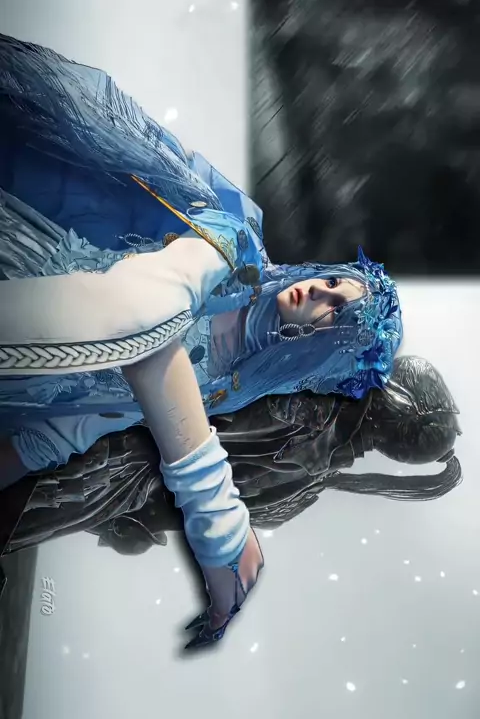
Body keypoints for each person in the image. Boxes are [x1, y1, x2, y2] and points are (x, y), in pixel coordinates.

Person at [0, 32, 403, 648]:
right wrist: (219, 521)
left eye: (335, 313)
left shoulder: (226, 388)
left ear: (326, 354)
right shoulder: (236, 246)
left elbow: (76, 425)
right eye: (330, 282)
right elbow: (140, 315)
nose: (319, 294)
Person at [0, 355, 461, 567]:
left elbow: (199, 431)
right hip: (110, 467)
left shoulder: (313, 416)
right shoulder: (316, 462)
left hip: (110, 459)